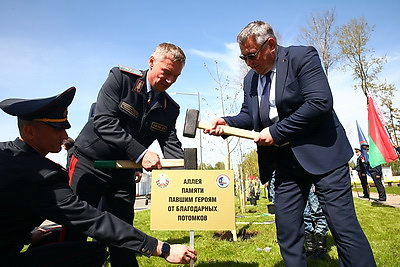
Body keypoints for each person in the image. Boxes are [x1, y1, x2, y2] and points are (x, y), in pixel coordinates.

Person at [203, 21, 376, 266]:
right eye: (243, 58)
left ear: (271, 45)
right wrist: (225, 123)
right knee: (287, 231)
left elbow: (319, 102)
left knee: (344, 229)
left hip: (324, 155)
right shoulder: (250, 80)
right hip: (284, 163)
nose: (248, 63)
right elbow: (249, 116)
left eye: (251, 56)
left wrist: (277, 131)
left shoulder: (301, 57)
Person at [0, 87, 197, 266]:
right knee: (93, 252)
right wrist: (162, 248)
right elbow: (94, 220)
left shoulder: (6, 155)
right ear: (29, 131)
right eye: (56, 129)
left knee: (54, 235)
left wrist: (26, 236)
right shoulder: (43, 176)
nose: (64, 135)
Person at [67, 43, 186, 266]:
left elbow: (170, 142)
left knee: (123, 232)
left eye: (176, 76)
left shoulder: (171, 108)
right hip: (89, 163)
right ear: (151, 62)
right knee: (76, 228)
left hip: (123, 172)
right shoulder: (121, 79)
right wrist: (141, 154)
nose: (170, 81)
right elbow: (104, 121)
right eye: (166, 73)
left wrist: (183, 171)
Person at [303, 185, 328, 260]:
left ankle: (321, 248)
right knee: (305, 215)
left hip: (313, 183)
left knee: (318, 213)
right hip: (302, 184)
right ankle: (311, 246)